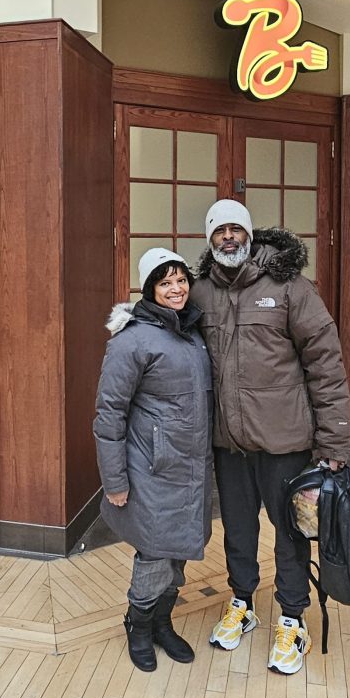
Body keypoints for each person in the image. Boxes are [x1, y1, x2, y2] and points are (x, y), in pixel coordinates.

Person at [190, 199, 350, 675]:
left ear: (250, 234)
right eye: (219, 232)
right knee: (237, 530)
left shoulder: (290, 288)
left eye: (236, 229)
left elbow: (326, 365)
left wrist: (334, 442)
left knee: (291, 534)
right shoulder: (199, 293)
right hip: (229, 444)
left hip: (286, 443)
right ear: (210, 240)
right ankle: (241, 600)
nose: (229, 238)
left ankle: (292, 617)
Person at [93, 248, 213, 672]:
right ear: (149, 290)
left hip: (191, 468)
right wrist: (115, 481)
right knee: (155, 554)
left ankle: (163, 623)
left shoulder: (191, 332)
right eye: (165, 283)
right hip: (152, 468)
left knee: (177, 550)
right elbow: (109, 414)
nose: (176, 289)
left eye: (180, 280)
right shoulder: (132, 339)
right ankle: (138, 625)